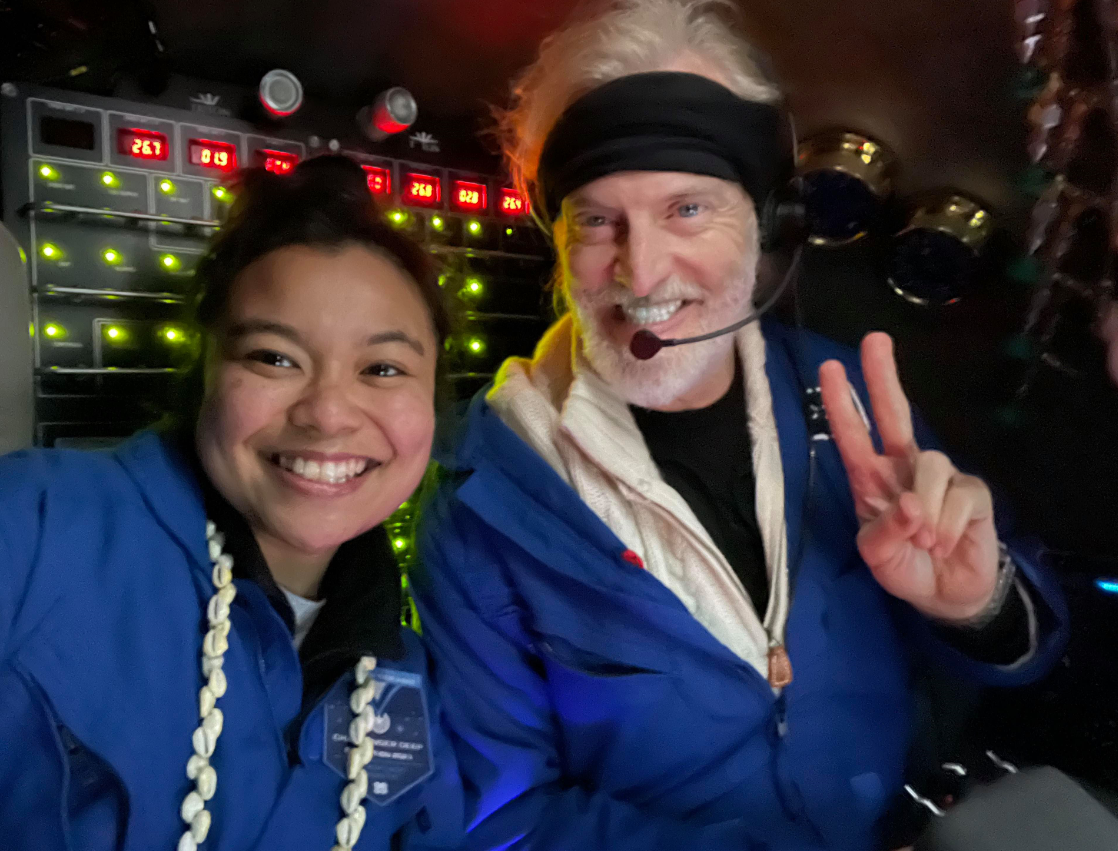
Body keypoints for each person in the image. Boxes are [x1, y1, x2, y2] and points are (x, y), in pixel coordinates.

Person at [409, 2, 1068, 850]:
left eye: (687, 210)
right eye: (599, 219)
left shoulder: (847, 400)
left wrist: (980, 606)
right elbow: (504, 816)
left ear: (766, 227)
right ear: (556, 237)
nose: (642, 271)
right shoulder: (477, 497)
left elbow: (1028, 645)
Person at [0, 157, 463, 851]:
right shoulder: (34, 523)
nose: (329, 413)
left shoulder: (409, 676)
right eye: (275, 358)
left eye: (383, 369)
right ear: (205, 368)